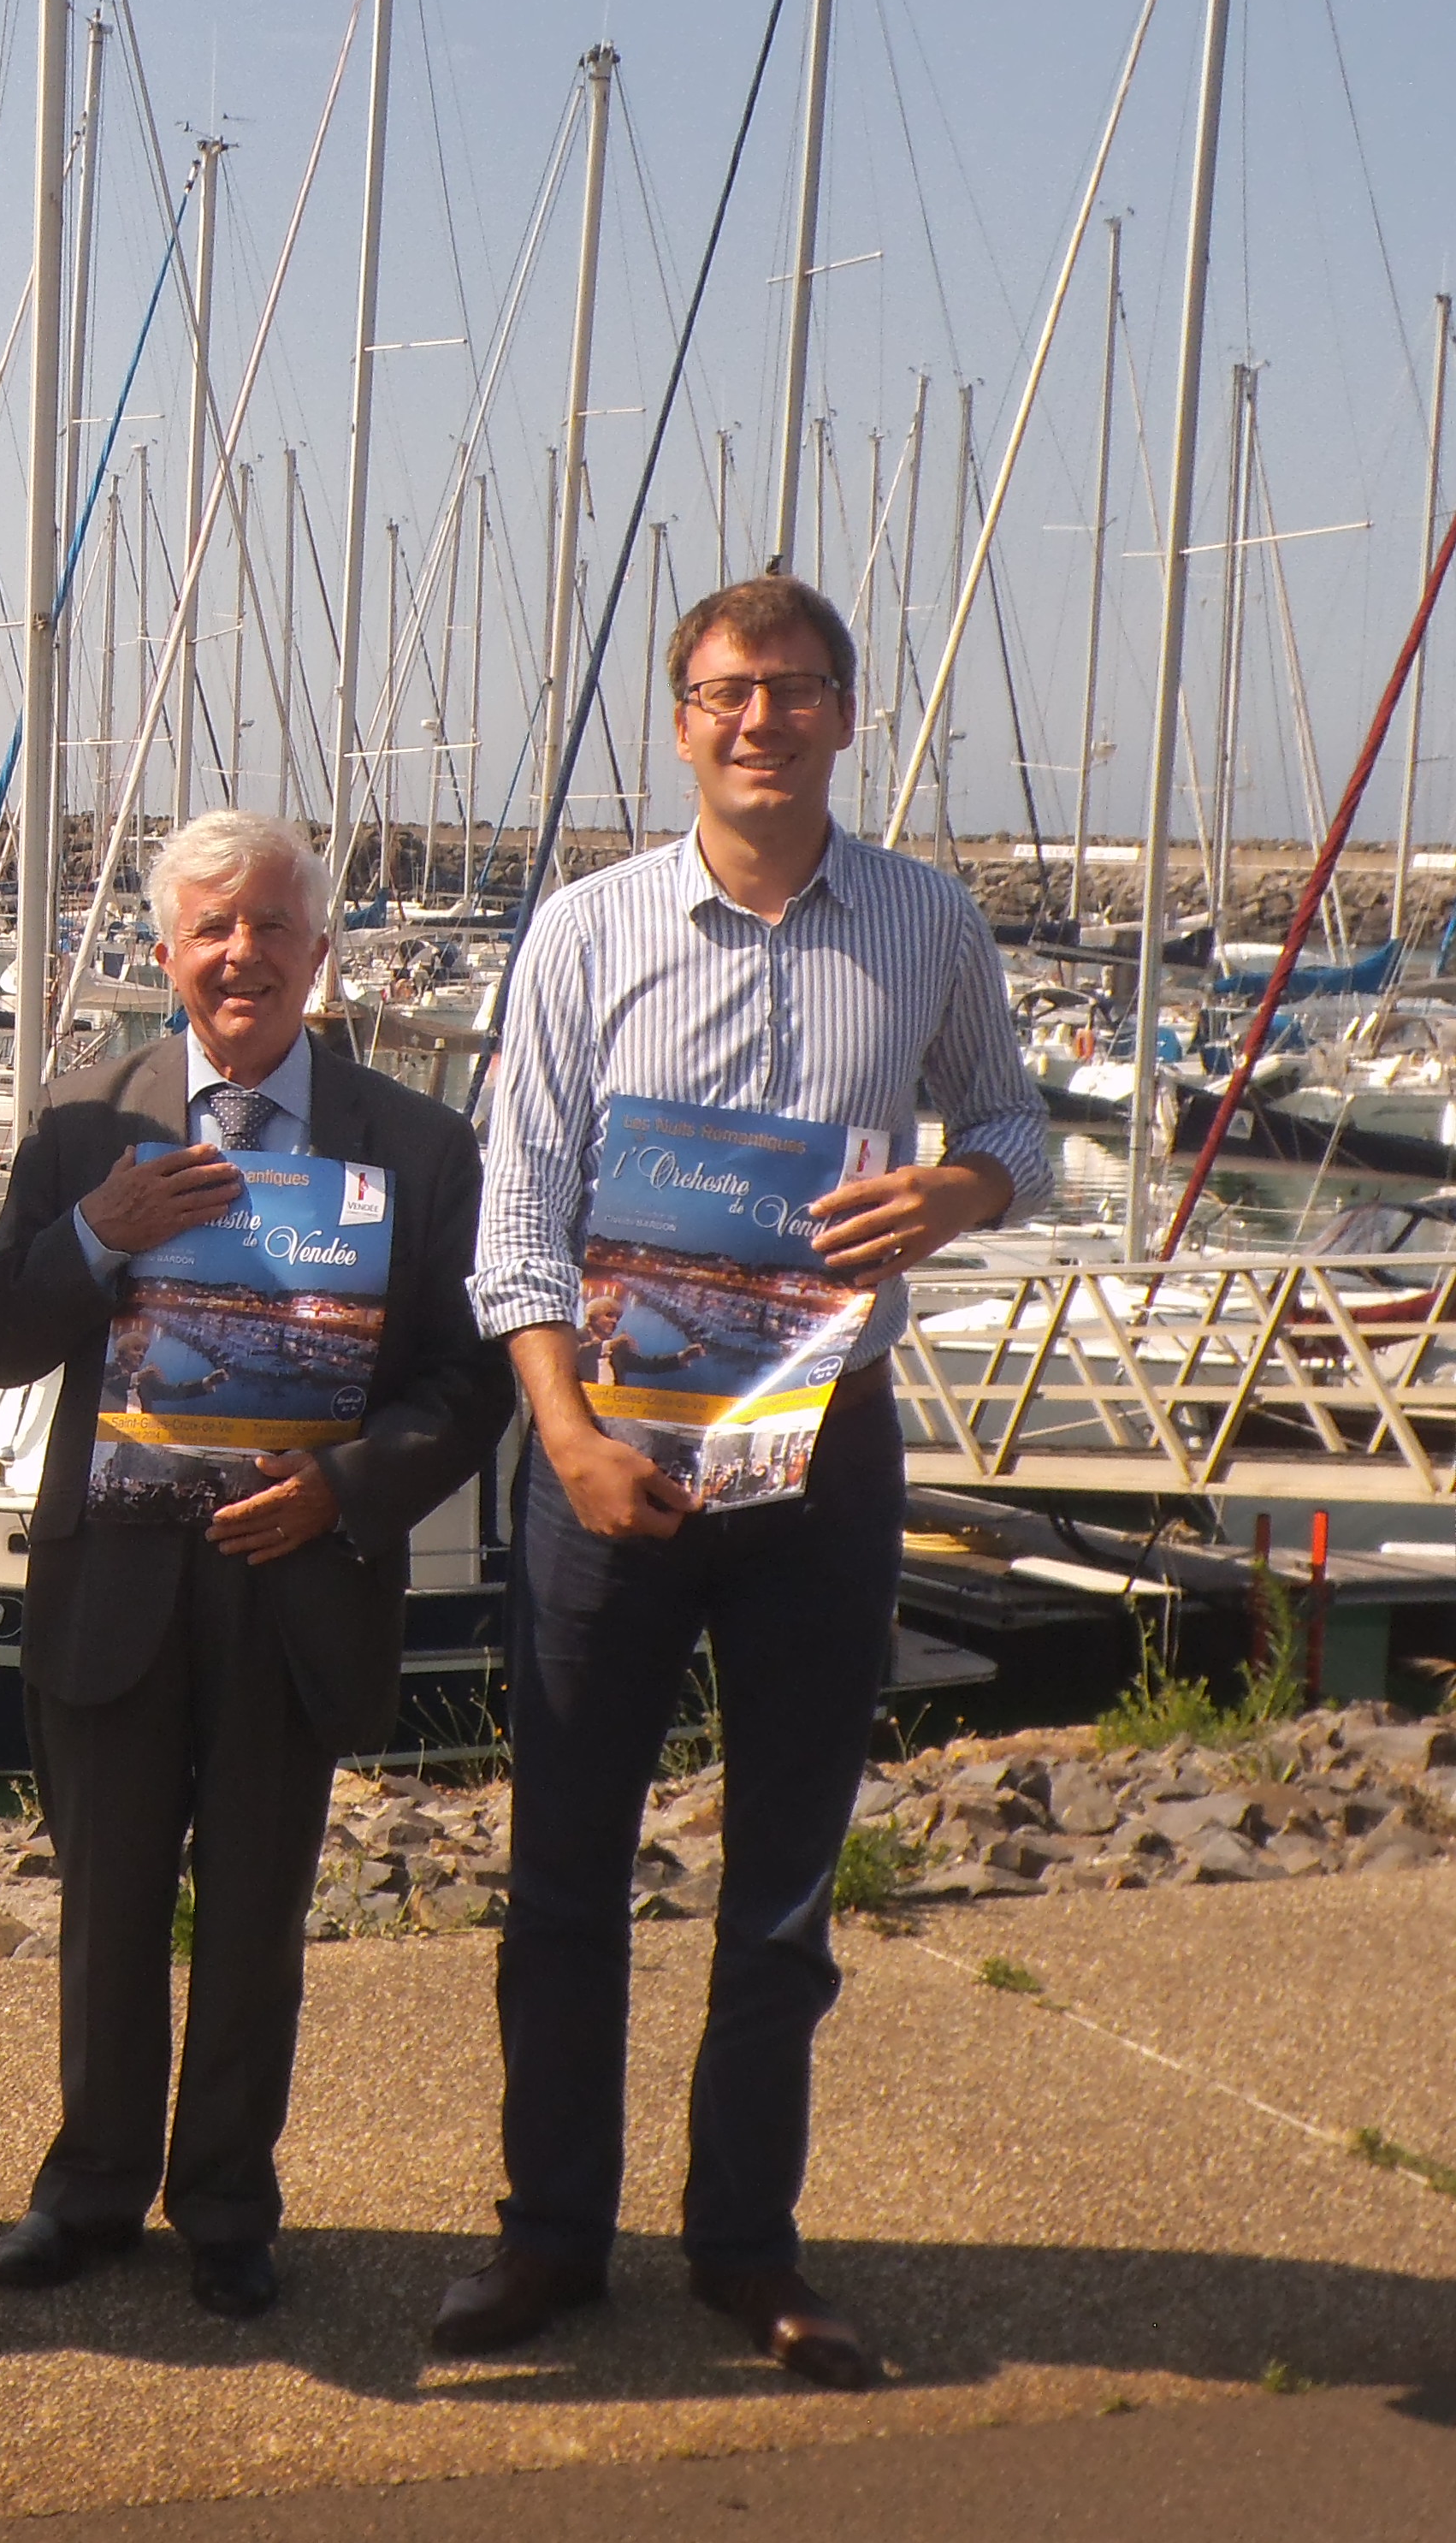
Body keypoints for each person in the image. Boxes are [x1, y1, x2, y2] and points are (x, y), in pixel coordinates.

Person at [439, 573, 1050, 2387]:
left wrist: (951, 1195)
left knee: (781, 1880)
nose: (754, 719)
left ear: (843, 715)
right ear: (679, 715)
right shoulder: (582, 931)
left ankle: (744, 2248)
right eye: (721, 691)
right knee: (561, 1873)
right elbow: (516, 1217)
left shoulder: (926, 927)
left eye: (788, 690)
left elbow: (1014, 1125)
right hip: (601, 1449)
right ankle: (547, 2233)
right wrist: (556, 1433)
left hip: (824, 1455)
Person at [0, 809, 512, 2318]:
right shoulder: (84, 1124)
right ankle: (87, 2191)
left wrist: (343, 1488)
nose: (242, 953)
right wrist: (96, 1230)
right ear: (165, 955)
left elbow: (470, 1384)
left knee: (257, 1920)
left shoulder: (416, 1143)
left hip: (298, 1583)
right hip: (115, 1581)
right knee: (108, 1906)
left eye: (271, 926)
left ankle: (226, 2204)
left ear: (319, 953)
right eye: (211, 928)